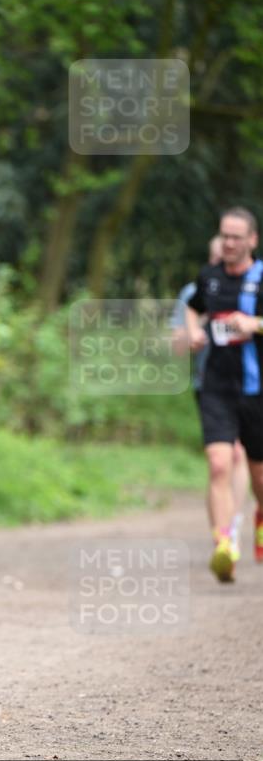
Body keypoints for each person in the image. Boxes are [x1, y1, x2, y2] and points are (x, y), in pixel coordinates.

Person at [184, 207, 263, 582]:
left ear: (252, 240)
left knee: (259, 477)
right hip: (216, 388)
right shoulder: (210, 277)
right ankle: (224, 545)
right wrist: (193, 332)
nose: (229, 243)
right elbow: (191, 307)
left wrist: (255, 324)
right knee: (219, 464)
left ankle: (259, 514)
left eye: (236, 237)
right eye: (224, 236)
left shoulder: (261, 279)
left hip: (256, 391)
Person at [170, 234, 249, 558]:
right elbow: (174, 345)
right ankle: (224, 537)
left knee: (242, 456)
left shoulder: (251, 287)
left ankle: (238, 520)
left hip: (249, 385)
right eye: (217, 260)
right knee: (221, 462)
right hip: (210, 384)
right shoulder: (194, 293)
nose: (223, 265)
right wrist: (193, 331)